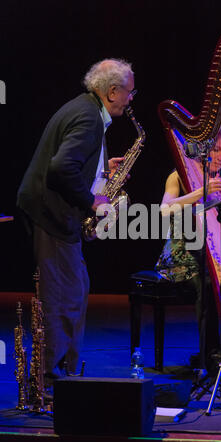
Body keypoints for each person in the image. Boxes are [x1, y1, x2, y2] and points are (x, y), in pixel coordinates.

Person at [16, 58, 136, 389]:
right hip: (50, 214)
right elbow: (61, 168)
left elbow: (70, 163)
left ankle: (58, 374)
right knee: (64, 295)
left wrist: (100, 171)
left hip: (48, 211)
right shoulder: (87, 116)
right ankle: (50, 382)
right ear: (112, 91)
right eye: (129, 92)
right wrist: (92, 200)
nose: (130, 99)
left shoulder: (84, 109)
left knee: (75, 287)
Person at [155, 121, 221, 375]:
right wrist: (200, 192)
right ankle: (210, 358)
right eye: (216, 150)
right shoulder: (179, 174)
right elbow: (164, 209)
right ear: (203, 148)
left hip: (215, 254)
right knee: (211, 282)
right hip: (183, 256)